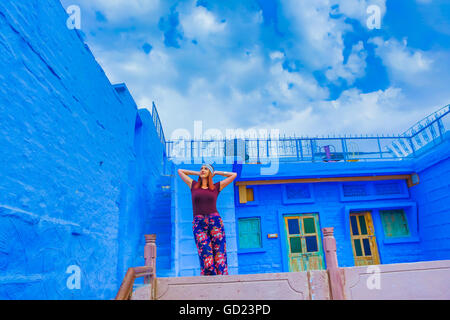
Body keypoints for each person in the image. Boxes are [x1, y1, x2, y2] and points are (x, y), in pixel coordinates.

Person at [178, 164, 237, 275]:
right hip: (199, 223)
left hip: (215, 222)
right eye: (201, 168)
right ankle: (209, 279)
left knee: (219, 253)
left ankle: (222, 280)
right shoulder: (193, 185)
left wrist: (217, 172)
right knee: (205, 253)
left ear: (210, 172)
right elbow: (180, 171)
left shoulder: (216, 187)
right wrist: (197, 173)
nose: (203, 170)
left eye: (206, 169)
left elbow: (234, 175)